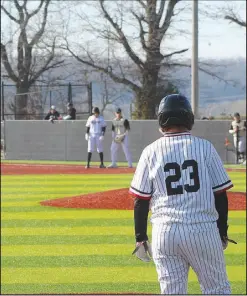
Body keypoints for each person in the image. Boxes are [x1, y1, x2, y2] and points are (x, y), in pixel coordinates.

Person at [129, 94, 237, 295]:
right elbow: (220, 195)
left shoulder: (150, 151)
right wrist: (222, 230)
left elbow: (140, 200)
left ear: (161, 118)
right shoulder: (204, 148)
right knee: (217, 289)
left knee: (172, 292)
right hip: (202, 230)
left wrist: (140, 237)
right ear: (189, 118)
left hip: (165, 233)